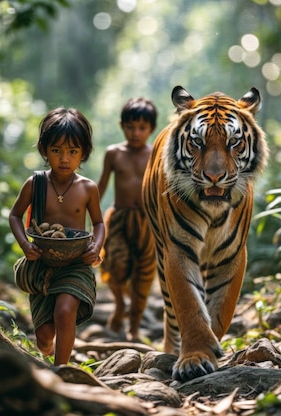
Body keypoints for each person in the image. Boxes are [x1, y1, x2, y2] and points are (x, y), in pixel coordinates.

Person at [9, 107, 105, 365]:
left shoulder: (87, 188)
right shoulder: (35, 184)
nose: (64, 159)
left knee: (65, 312)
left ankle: (61, 370)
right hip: (41, 264)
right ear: (44, 150)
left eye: (72, 152)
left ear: (83, 152)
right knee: (43, 335)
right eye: (56, 151)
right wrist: (25, 244)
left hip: (75, 264)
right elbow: (15, 216)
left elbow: (98, 223)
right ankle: (47, 349)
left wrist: (96, 246)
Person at [97, 97, 158, 341]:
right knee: (115, 265)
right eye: (131, 127)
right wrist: (91, 215)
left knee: (143, 275)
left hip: (147, 221)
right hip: (119, 218)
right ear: (122, 126)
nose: (136, 133)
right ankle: (120, 303)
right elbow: (101, 186)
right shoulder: (114, 153)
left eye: (142, 128)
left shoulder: (156, 153)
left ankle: (133, 326)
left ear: (151, 129)